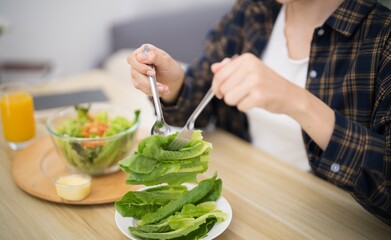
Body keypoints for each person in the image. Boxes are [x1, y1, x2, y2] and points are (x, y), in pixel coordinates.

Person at [128, 0, 391, 225]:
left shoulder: (382, 37)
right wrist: (173, 85)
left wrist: (296, 100)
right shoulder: (254, 10)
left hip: (325, 223)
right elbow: (193, 108)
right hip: (242, 202)